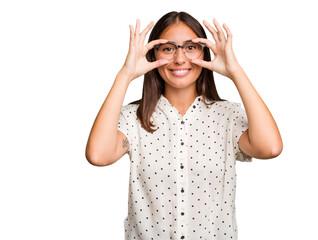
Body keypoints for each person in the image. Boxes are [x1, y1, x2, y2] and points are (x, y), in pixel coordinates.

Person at [85, 11, 282, 240]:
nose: (180, 59)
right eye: (168, 48)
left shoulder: (227, 116)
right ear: (153, 54)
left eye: (190, 47)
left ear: (204, 52)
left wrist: (235, 72)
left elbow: (270, 148)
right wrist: (125, 74)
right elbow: (98, 155)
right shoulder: (134, 118)